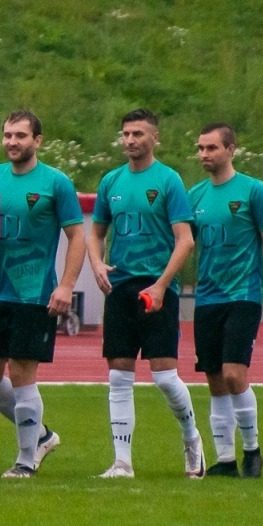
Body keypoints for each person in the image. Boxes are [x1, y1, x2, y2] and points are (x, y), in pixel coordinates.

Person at [86, 108, 202, 479]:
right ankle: (122, 462)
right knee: (119, 375)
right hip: (120, 288)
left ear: (155, 138)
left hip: (156, 288)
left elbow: (185, 240)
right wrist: (97, 264)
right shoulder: (111, 182)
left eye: (138, 134)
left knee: (165, 377)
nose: (131, 140)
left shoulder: (168, 181)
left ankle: (191, 438)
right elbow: (96, 232)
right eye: (126, 134)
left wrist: (163, 284)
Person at [0, 111, 84, 479]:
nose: (12, 142)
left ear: (37, 140)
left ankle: (25, 460)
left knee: (22, 373)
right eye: (7, 135)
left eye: (20, 136)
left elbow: (77, 237)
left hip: (35, 295)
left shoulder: (56, 183)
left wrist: (66, 285)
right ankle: (42, 435)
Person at [189, 123, 263, 478]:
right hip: (207, 299)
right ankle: (226, 460)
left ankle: (253, 451)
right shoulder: (196, 196)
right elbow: (184, 244)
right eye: (200, 148)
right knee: (214, 378)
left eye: (212, 148)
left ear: (231, 149)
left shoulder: (252, 190)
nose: (204, 154)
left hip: (242, 295)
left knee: (234, 374)